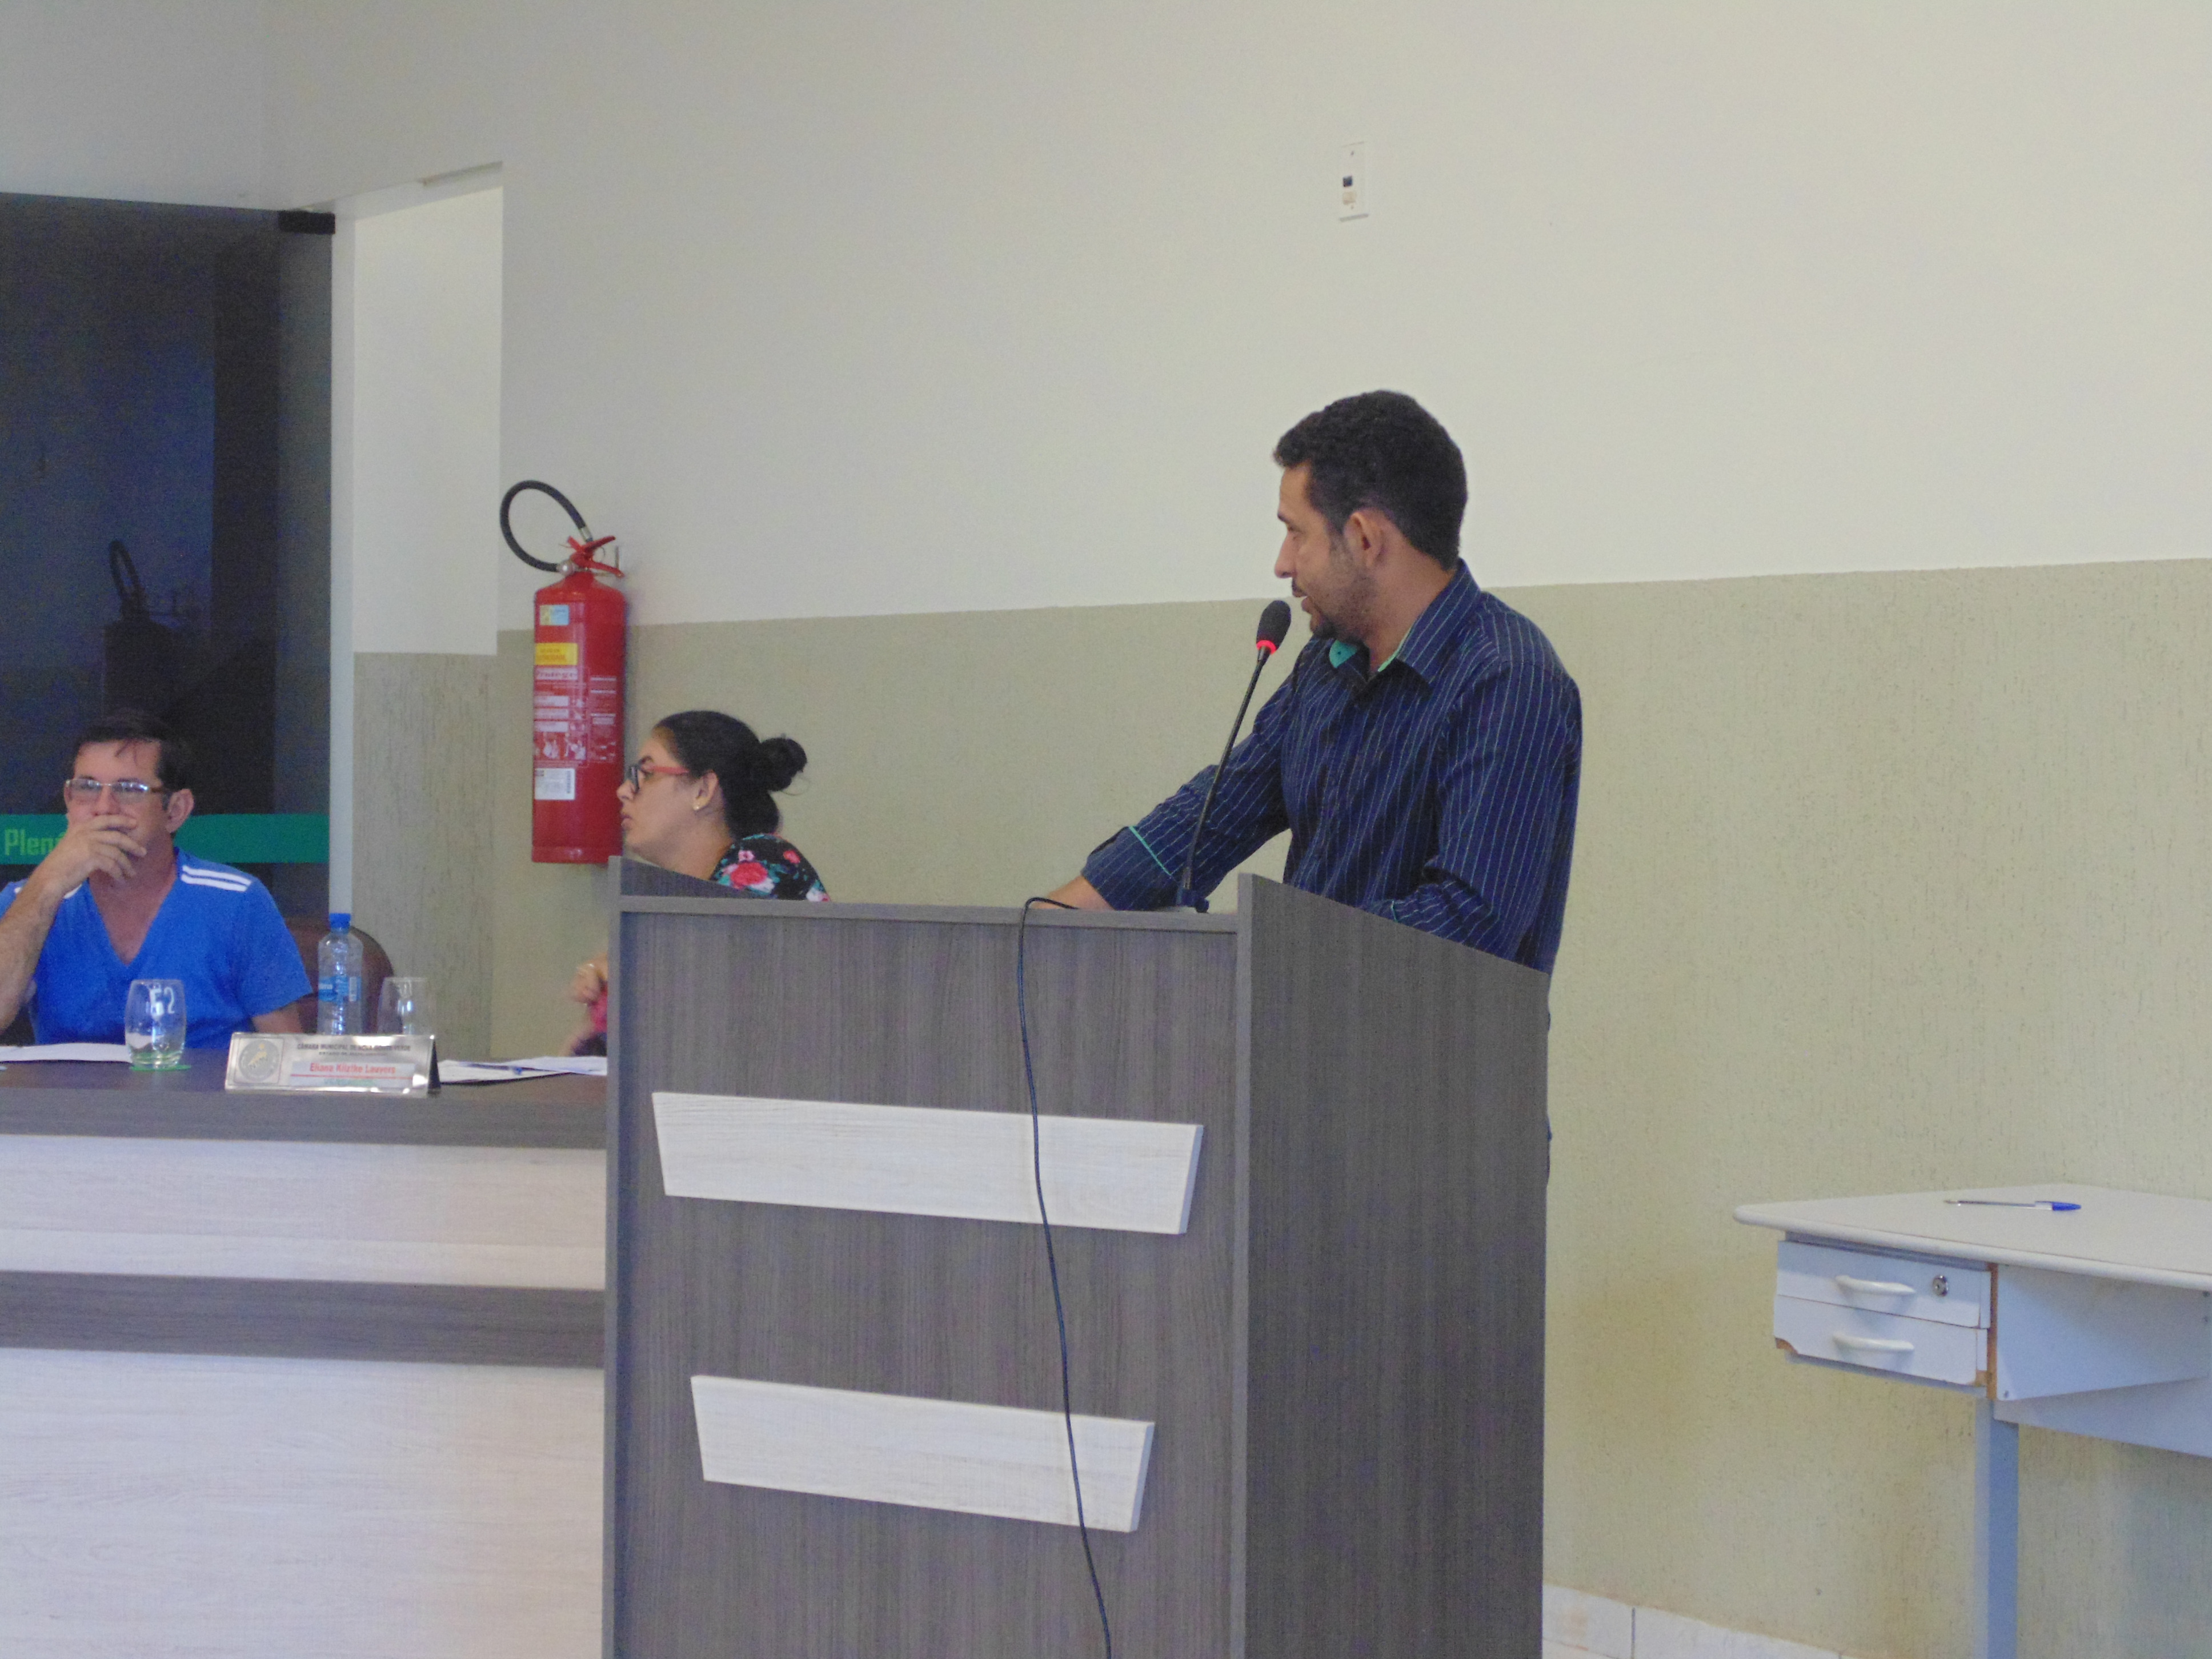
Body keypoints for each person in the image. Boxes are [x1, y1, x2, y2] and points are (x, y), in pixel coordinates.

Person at [1048, 390, 1581, 972]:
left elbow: (1470, 924)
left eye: (1296, 533)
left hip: (1431, 1030)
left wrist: (1278, 943)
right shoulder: (1326, 666)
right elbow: (1208, 822)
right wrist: (1046, 925)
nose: (1282, 563)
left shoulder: (1507, 679)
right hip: (1303, 1021)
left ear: (1364, 538)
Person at [0, 710, 308, 1047]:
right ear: (68, 801)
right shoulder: (29, 901)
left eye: (129, 789)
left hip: (203, 1083)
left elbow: (287, 1054)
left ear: (175, 811)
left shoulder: (237, 902)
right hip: (68, 1085)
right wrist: (49, 882)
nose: (103, 808)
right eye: (87, 788)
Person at [565, 710, 826, 1053]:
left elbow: (722, 1012)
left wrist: (630, 974)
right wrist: (600, 1006)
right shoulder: (661, 895)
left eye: (646, 774)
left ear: (703, 789)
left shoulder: (764, 861)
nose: (624, 791)